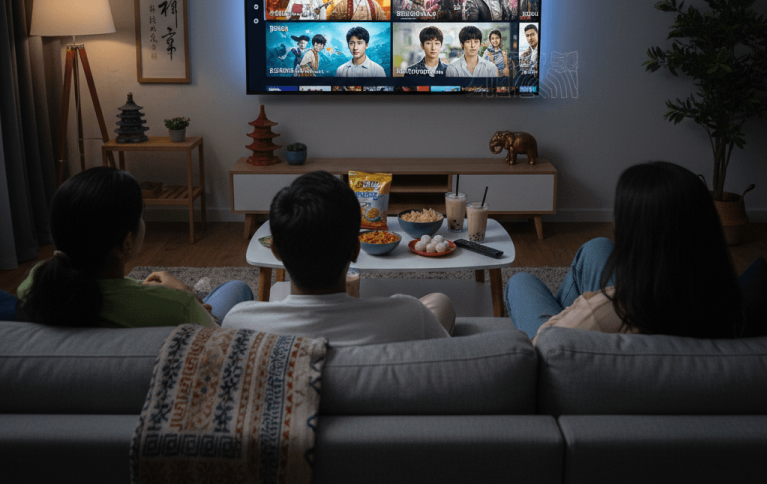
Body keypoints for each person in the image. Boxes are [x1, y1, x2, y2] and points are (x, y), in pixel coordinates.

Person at [504, 161, 746, 344]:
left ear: (638, 234)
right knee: (596, 247)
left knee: (520, 282)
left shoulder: (608, 310)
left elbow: (546, 345)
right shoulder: (728, 302)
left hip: (560, 338)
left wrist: (581, 308)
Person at [222, 171, 455, 345]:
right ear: (356, 249)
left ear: (275, 251)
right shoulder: (411, 315)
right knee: (440, 302)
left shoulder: (238, 324)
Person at [16, 167, 253, 328]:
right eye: (141, 215)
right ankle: (199, 292)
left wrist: (141, 287)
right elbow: (218, 341)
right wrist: (186, 295)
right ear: (127, 243)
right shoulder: (178, 308)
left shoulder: (35, 284)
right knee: (236, 288)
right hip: (195, 320)